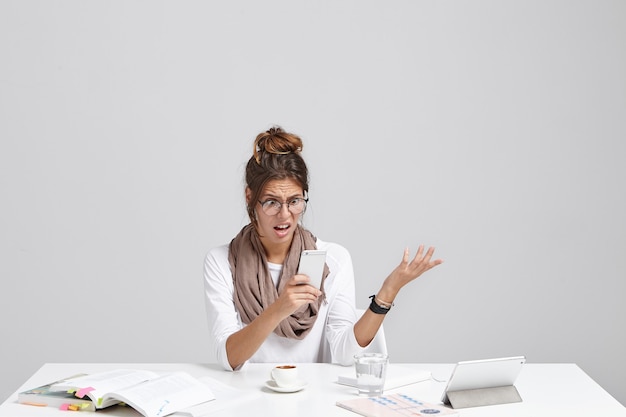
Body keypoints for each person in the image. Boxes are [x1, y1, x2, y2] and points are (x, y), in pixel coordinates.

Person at [203, 126, 443, 371]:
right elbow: (229, 358)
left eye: (294, 201)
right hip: (250, 397)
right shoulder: (222, 261)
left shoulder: (333, 259)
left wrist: (388, 292)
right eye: (272, 202)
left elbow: (344, 352)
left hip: (314, 397)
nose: (285, 215)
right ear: (249, 197)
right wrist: (278, 309)